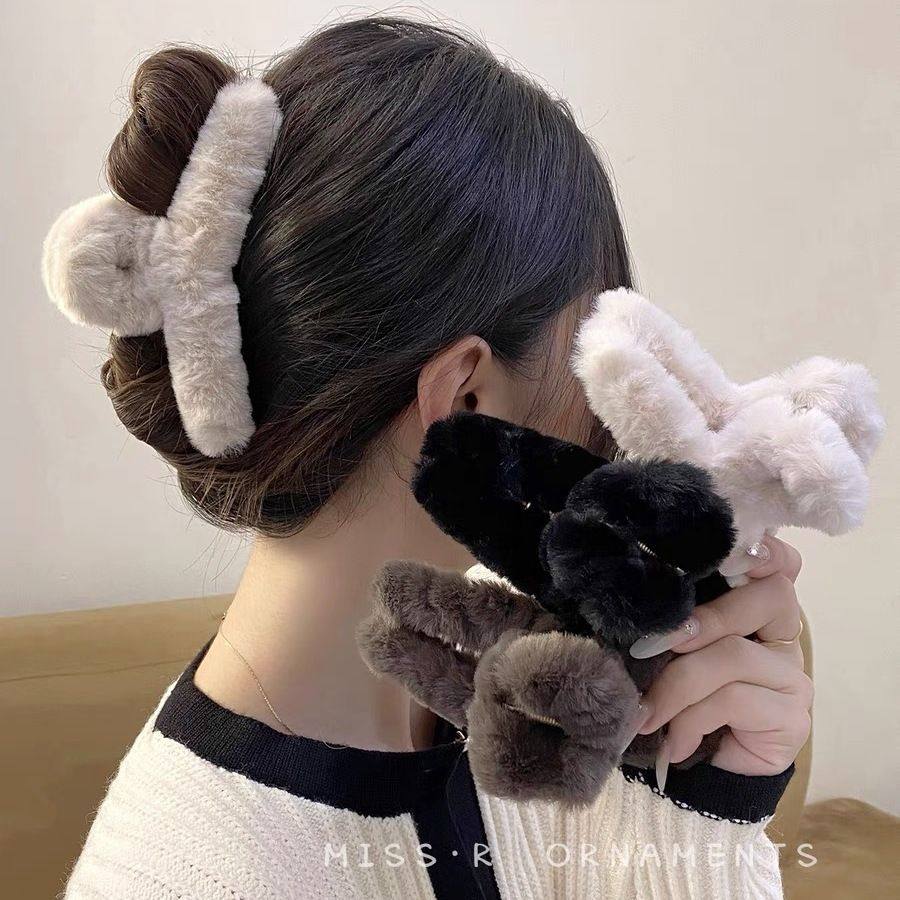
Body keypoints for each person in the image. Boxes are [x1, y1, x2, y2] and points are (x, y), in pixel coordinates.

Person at [55, 16, 811, 899]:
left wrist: (706, 797)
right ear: (466, 401)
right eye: (598, 354)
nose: (616, 419)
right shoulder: (187, 879)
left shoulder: (524, 667)